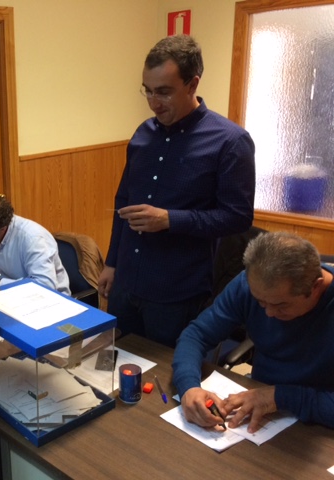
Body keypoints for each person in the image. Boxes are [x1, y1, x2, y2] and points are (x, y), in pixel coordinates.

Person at [98, 35, 256, 347]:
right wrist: (112, 262)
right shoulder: (143, 133)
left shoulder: (230, 142)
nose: (153, 102)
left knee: (165, 374)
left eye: (164, 92)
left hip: (177, 293)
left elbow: (238, 217)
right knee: (118, 363)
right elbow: (123, 201)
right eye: (147, 90)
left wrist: (171, 220)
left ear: (192, 84)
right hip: (126, 283)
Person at [173, 232, 334, 432]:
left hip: (319, 422)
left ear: (316, 287)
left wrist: (279, 397)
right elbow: (196, 335)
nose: (269, 313)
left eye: (281, 305)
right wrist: (189, 386)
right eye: (260, 302)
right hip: (259, 407)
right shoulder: (249, 285)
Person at [0, 191, 70, 294]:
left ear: (2, 229)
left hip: (44, 300)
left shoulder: (33, 239)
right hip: (2, 296)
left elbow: (45, 286)